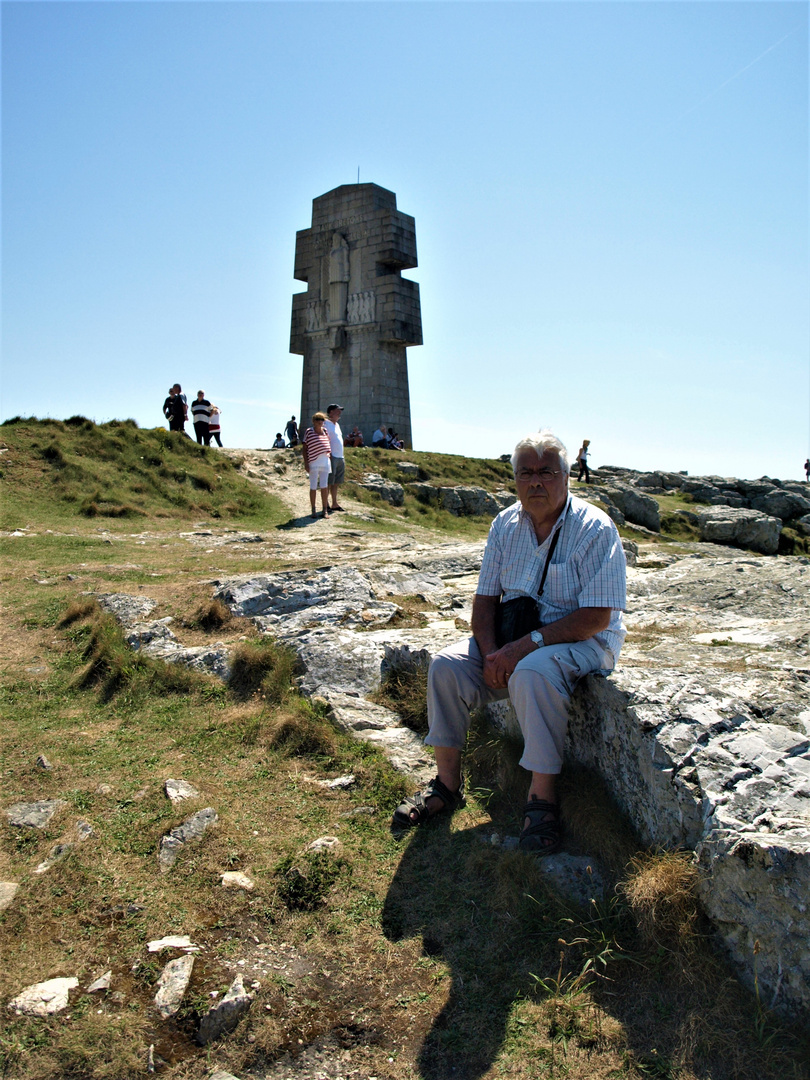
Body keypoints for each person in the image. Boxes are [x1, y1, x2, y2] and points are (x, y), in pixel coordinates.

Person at [392, 430, 626, 855]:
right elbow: (484, 602)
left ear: (567, 477)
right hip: (515, 638)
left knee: (533, 672)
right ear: (515, 478)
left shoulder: (595, 528)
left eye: (546, 472)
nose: (536, 482)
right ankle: (446, 785)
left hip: (584, 639)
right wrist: (490, 650)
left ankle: (541, 800)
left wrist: (522, 649)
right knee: (446, 666)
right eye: (526, 473)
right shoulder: (505, 524)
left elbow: (597, 616)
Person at [302, 412, 332, 518]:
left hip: (325, 461)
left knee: (324, 486)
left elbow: (328, 445)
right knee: (313, 486)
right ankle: (313, 509)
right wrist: (306, 463)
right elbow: (304, 448)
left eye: (322, 419)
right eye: (318, 419)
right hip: (313, 462)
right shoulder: (309, 432)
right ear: (313, 421)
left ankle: (324, 510)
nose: (320, 422)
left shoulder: (325, 431)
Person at [324, 403, 346, 511]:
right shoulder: (325, 424)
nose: (340, 413)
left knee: (336, 482)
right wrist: (328, 454)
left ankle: (334, 503)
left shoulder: (337, 425)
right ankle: (326, 503)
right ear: (331, 412)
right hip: (331, 456)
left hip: (340, 457)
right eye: (338, 410)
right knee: (329, 481)